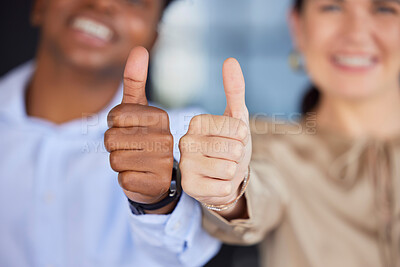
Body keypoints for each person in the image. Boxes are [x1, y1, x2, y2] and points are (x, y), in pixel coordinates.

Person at [179, 0, 400, 266]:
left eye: (385, 9)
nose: (355, 33)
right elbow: (256, 190)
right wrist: (227, 191)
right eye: (332, 7)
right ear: (298, 26)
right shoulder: (263, 146)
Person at [0, 0, 220, 266]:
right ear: (39, 6)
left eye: (135, 1)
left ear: (153, 40)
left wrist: (159, 200)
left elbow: (189, 249)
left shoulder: (183, 136)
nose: (103, 4)